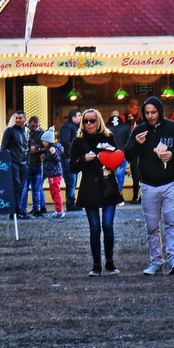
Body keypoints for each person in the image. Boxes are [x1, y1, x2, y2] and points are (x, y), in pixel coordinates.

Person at [127, 95, 174, 275]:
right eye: (147, 113)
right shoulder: (139, 130)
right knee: (152, 226)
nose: (151, 116)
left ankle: (173, 258)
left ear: (160, 111)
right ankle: (156, 261)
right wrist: (137, 144)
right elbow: (127, 155)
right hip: (148, 185)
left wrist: (173, 155)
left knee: (172, 223)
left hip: (170, 182)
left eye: (153, 112)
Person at [70, 109, 123, 275]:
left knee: (107, 225)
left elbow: (118, 158)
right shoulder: (78, 142)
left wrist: (107, 155)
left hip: (107, 185)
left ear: (98, 121)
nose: (89, 124)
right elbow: (72, 167)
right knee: (94, 228)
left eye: (92, 121)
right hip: (89, 187)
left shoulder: (109, 137)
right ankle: (96, 265)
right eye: (86, 121)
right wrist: (83, 160)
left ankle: (109, 261)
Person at [0, 111, 30, 220]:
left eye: (20, 118)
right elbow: (4, 148)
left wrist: (28, 162)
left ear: (25, 119)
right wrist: (6, 163)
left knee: (21, 188)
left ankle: (18, 210)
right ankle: (16, 210)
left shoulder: (27, 131)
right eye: (16, 118)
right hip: (13, 162)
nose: (17, 120)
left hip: (24, 163)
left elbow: (28, 147)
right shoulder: (9, 131)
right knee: (16, 187)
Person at [40, 129, 68, 218]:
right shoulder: (50, 149)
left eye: (44, 141)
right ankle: (58, 210)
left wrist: (53, 153)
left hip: (54, 174)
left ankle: (59, 211)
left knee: (55, 192)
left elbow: (57, 159)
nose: (43, 142)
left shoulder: (53, 149)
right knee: (54, 192)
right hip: (52, 174)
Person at [25, 116, 46, 216]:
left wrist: (36, 149)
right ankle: (24, 209)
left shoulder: (41, 132)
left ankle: (36, 208)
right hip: (28, 163)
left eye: (35, 126)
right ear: (29, 123)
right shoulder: (24, 131)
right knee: (27, 189)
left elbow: (46, 146)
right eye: (33, 126)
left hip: (36, 163)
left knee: (36, 189)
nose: (34, 128)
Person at [109, 111, 133, 202]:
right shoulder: (126, 127)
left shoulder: (106, 127)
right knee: (120, 175)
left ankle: (110, 196)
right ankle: (119, 196)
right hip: (122, 154)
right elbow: (130, 141)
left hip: (108, 155)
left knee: (108, 175)